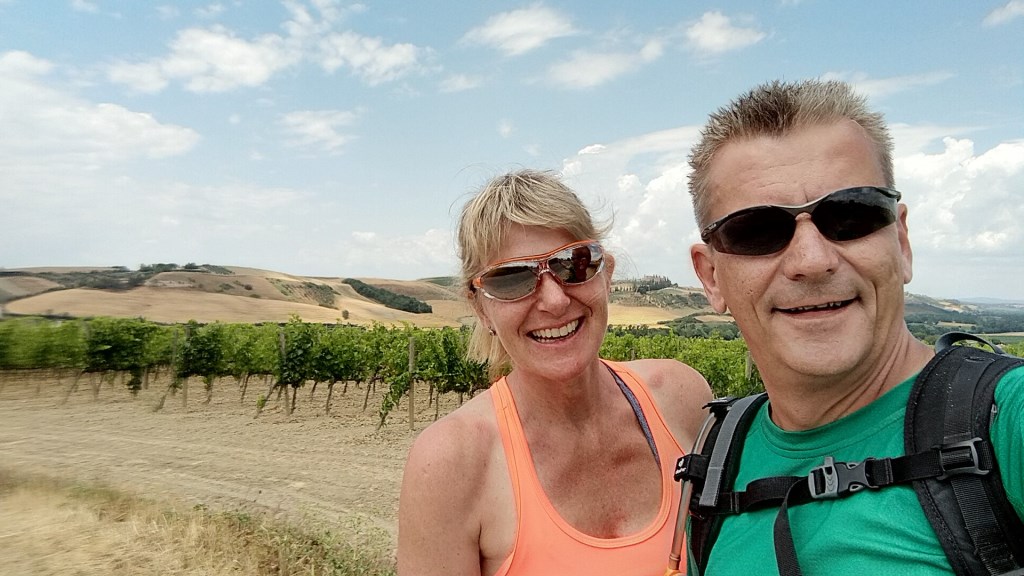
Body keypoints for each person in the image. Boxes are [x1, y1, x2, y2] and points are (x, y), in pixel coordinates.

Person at [686, 79, 1024, 575]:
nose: (811, 260)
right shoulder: (717, 459)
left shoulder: (1006, 418)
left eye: (850, 216)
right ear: (711, 277)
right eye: (757, 231)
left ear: (901, 241)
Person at [397, 169, 713, 575]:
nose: (554, 300)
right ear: (481, 308)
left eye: (574, 265)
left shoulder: (682, 398)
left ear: (606, 274)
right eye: (512, 279)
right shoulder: (451, 464)